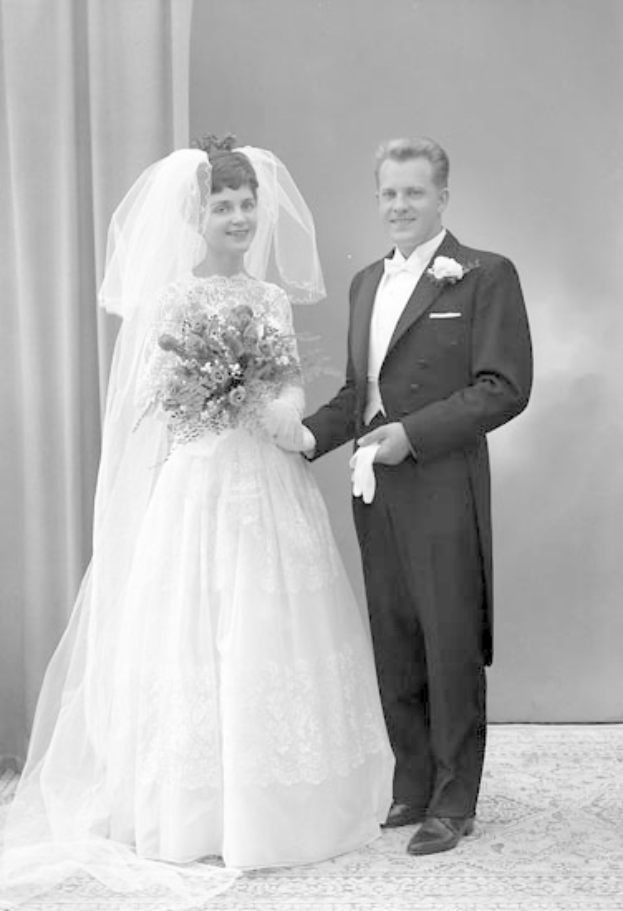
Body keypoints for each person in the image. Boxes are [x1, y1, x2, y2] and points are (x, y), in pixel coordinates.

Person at [0, 137, 394, 910]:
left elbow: (289, 380)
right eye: (223, 206)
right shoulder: (173, 300)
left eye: (247, 204)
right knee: (199, 631)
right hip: (198, 484)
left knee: (268, 627)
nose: (239, 217)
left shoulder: (270, 299)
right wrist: (214, 399)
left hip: (267, 482)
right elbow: (157, 404)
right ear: (197, 215)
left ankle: (281, 809)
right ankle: (198, 811)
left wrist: (276, 408)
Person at [293, 137, 532, 856]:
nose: (399, 205)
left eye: (414, 193)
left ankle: (454, 801)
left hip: (441, 478)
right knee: (394, 634)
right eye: (389, 193)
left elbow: (503, 386)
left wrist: (411, 434)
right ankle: (413, 782)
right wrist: (300, 438)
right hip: (375, 483)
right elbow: (357, 394)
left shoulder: (485, 274)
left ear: (442, 197)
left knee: (448, 637)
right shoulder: (366, 281)